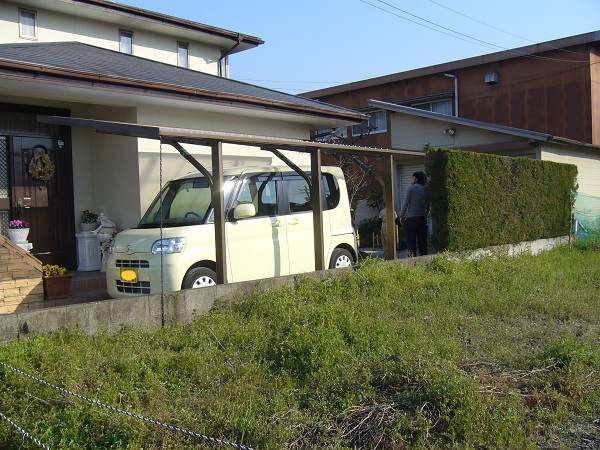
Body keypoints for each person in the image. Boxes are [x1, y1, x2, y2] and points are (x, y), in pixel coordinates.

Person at [399, 171, 428, 257]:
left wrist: (402, 216)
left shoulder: (411, 188)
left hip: (411, 218)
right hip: (422, 217)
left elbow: (405, 203)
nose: (412, 179)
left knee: (411, 241)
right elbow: (428, 204)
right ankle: (424, 257)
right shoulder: (425, 189)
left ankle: (411, 258)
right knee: (422, 240)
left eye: (413, 177)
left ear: (416, 178)